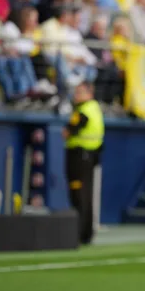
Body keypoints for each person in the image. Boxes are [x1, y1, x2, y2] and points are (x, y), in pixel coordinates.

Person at [63, 81, 104, 245]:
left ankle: (80, 232)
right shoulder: (93, 108)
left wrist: (67, 132)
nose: (76, 95)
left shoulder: (84, 111)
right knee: (85, 195)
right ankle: (85, 232)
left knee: (79, 195)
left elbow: (69, 131)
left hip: (81, 156)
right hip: (88, 156)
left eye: (80, 92)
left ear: (89, 93)